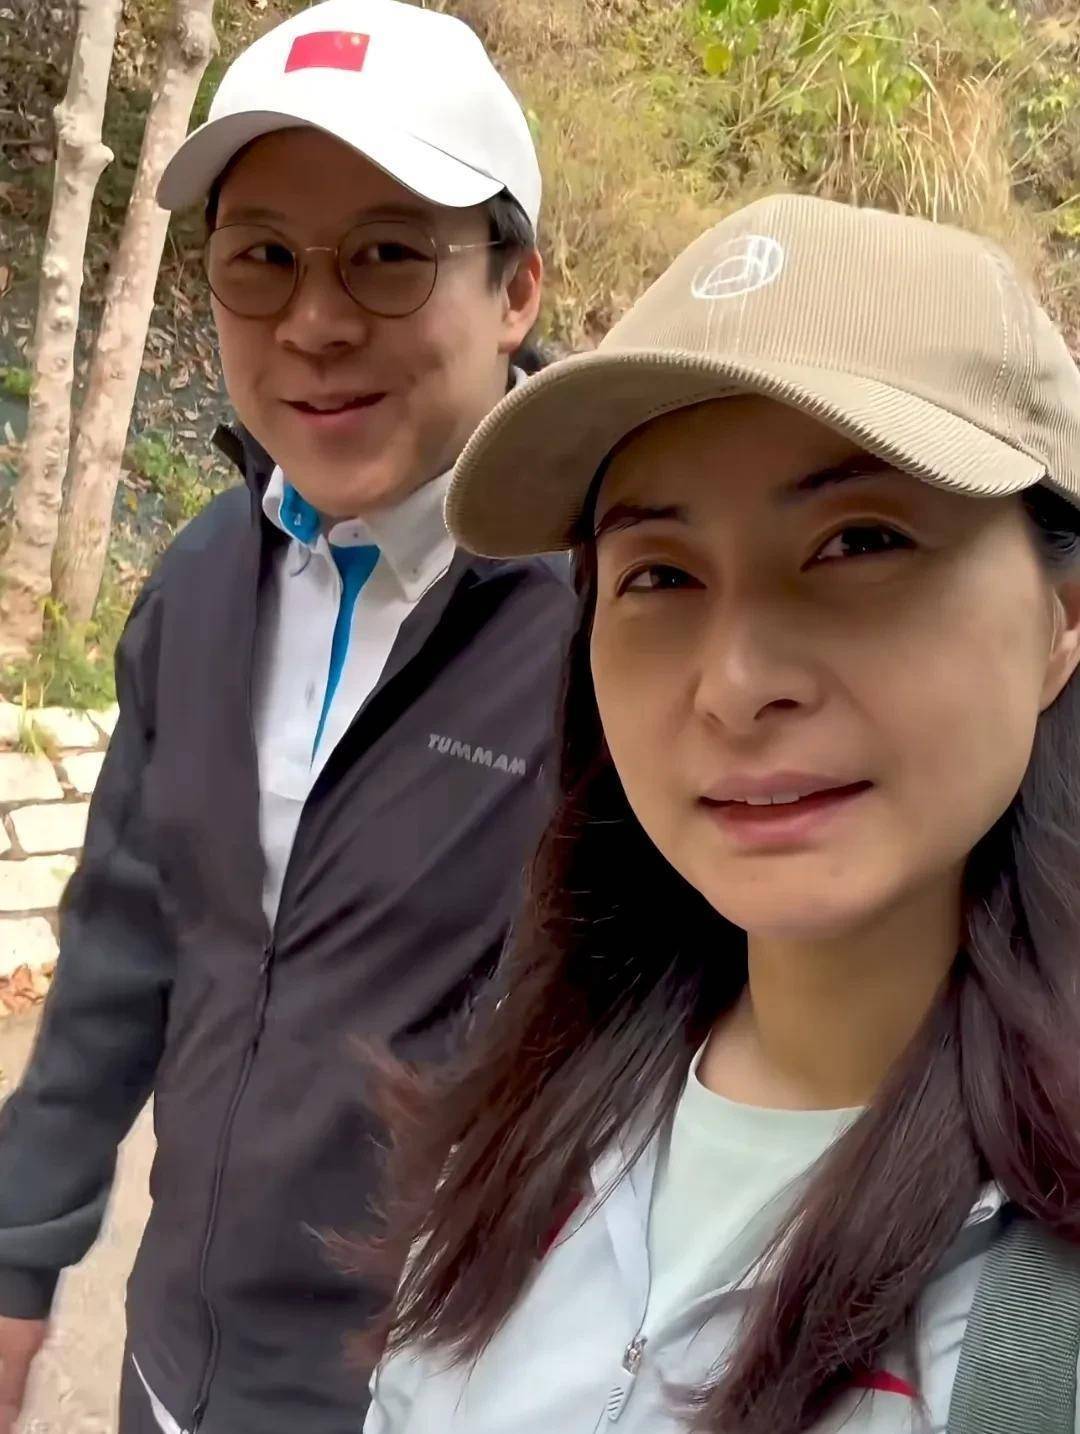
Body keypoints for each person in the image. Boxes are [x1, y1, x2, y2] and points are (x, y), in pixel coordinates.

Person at [362, 194, 1080, 1434]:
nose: (736, 685)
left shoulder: (1039, 1330)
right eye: (659, 574)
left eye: (860, 542)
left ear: (1063, 620)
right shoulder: (528, 1123)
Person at [0, 3, 573, 1432]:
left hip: (443, 1397)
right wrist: (18, 1255)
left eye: (388, 254)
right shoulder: (199, 582)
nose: (314, 322)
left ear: (516, 290)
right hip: (175, 1372)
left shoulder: (623, 616)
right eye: (262, 258)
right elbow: (125, 941)